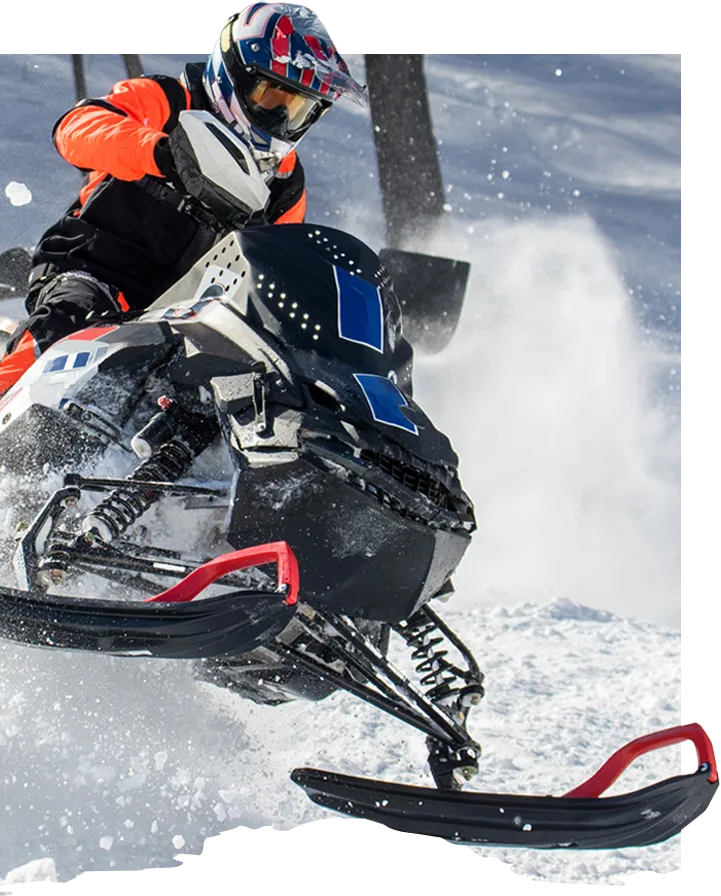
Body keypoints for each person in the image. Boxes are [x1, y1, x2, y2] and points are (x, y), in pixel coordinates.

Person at [0, 1, 366, 396]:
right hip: (95, 273)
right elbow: (75, 130)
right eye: (271, 97)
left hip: (191, 319)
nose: (281, 117)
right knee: (58, 334)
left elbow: (280, 268)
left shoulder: (285, 179)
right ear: (235, 75)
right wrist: (160, 152)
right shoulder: (168, 99)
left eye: (297, 109)